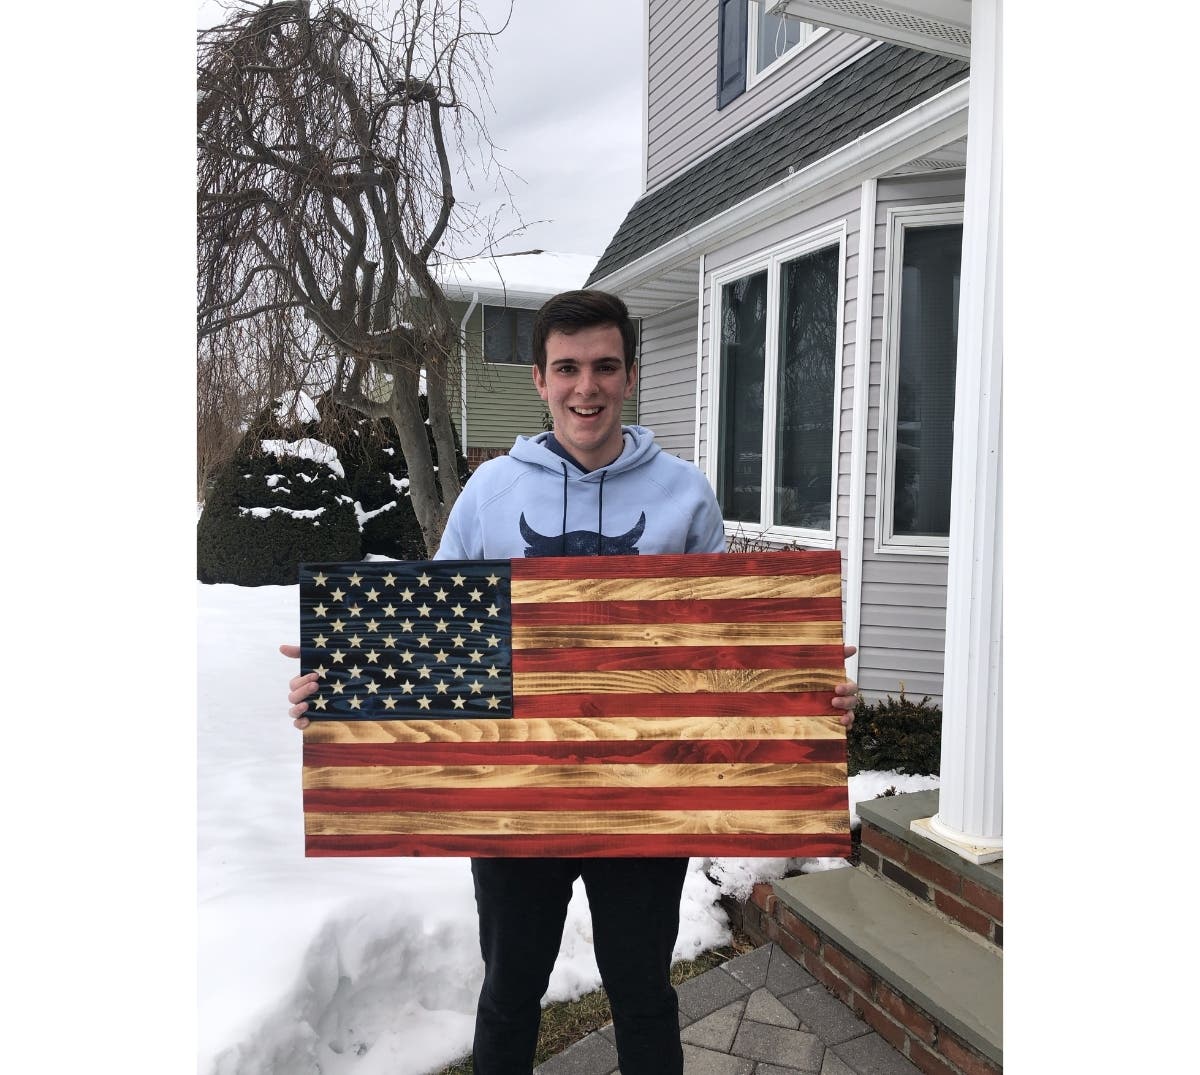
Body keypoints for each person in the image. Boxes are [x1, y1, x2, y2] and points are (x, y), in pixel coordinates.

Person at [283, 289, 860, 1075]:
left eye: (603, 366)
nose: (585, 387)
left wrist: (807, 693)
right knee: (509, 995)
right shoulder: (490, 494)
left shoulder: (682, 494)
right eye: (567, 368)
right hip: (513, 799)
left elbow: (723, 653)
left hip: (644, 799)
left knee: (643, 994)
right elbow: (433, 636)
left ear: (628, 374)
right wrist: (343, 685)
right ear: (539, 378)